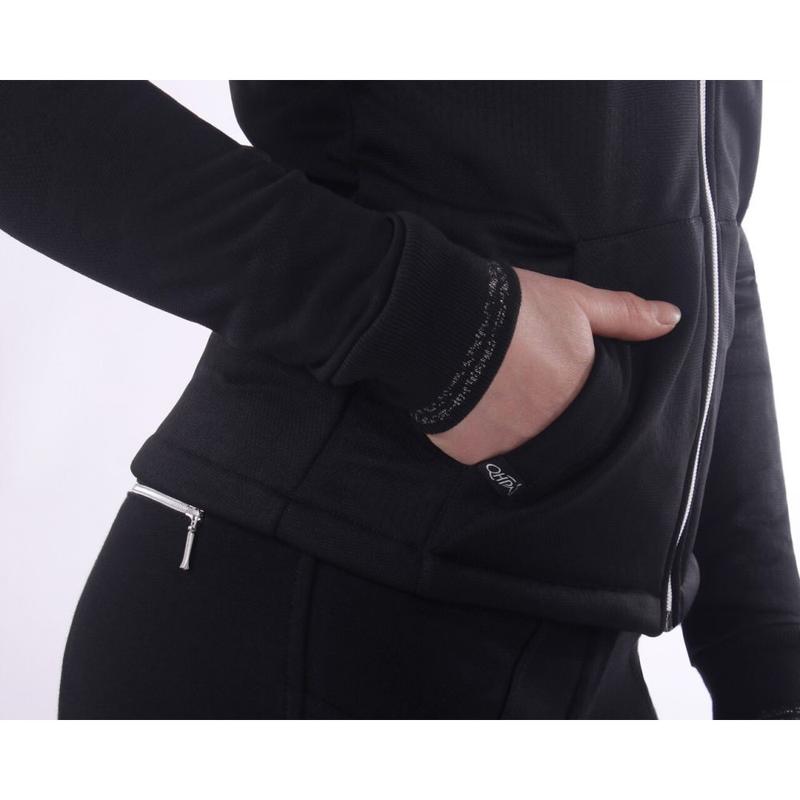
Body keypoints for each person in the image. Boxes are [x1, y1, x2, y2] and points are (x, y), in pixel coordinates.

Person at [1, 80, 798, 719]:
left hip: (585, 658)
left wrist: (767, 655)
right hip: (314, 622)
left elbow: (705, 252)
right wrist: (443, 330)